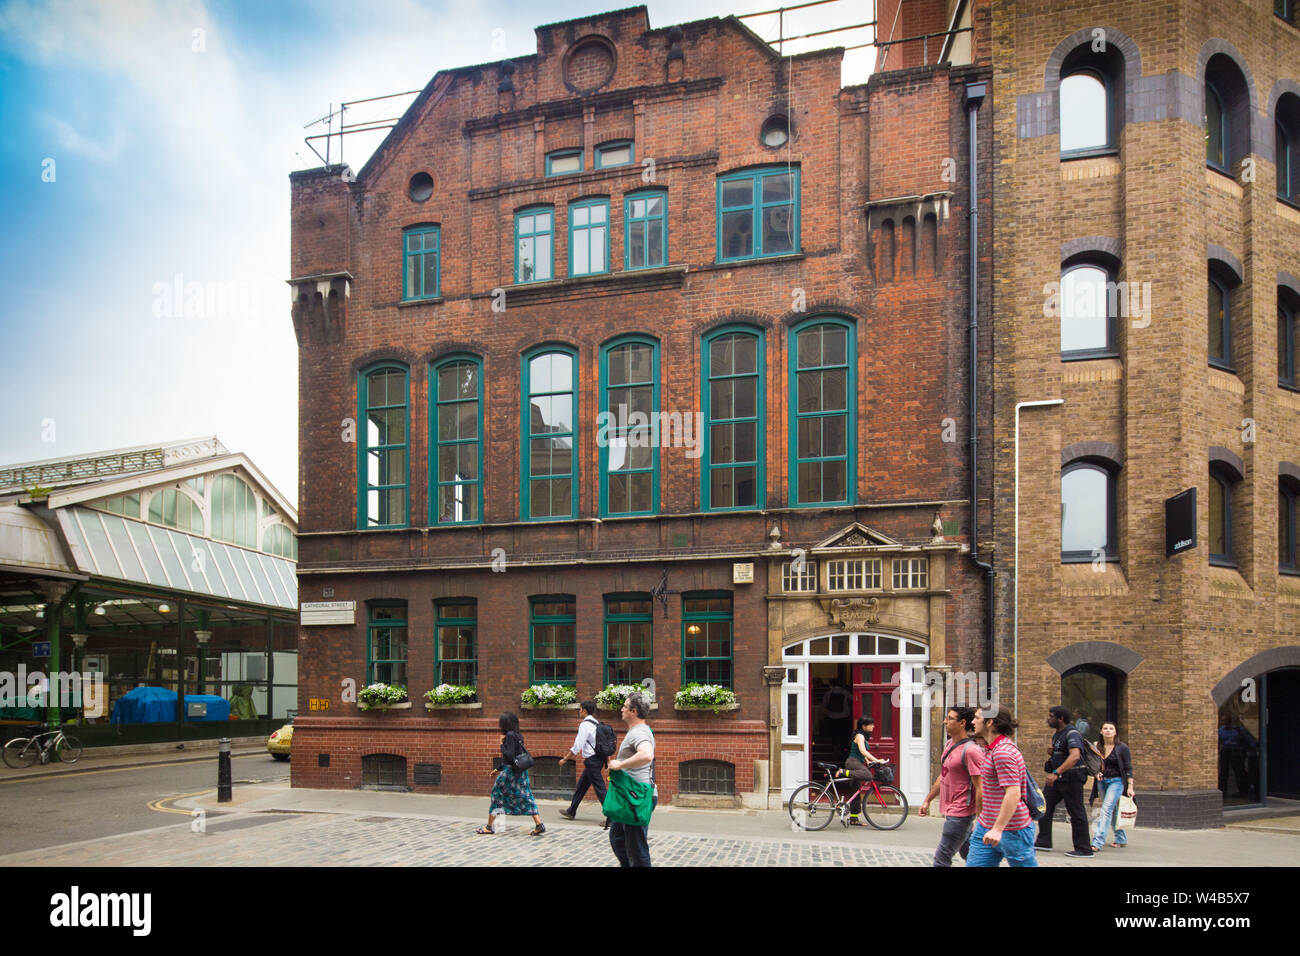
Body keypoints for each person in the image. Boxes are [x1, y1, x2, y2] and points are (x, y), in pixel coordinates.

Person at [966, 704, 1037, 867]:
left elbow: (1013, 793)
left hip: (1012, 830)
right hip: (986, 826)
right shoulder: (991, 748)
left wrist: (998, 829)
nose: (973, 721)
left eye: (977, 718)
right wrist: (982, 819)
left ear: (989, 722)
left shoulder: (1003, 752)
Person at [918, 705, 983, 866]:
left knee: (942, 858)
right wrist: (928, 800)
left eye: (949, 718)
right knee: (970, 854)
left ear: (962, 723)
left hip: (961, 813)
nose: (944, 721)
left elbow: (980, 787)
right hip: (952, 810)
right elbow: (944, 775)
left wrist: (981, 819)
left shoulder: (971, 751)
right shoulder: (949, 745)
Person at [1035, 705, 1093, 857]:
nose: (1049, 719)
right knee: (1044, 806)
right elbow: (1065, 753)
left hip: (1071, 778)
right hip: (1059, 780)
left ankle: (1084, 849)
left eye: (1051, 716)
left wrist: (1056, 772)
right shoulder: (1058, 735)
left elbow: (1074, 756)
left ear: (1060, 718)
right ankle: (1044, 841)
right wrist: (1054, 753)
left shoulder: (1072, 733)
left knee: (1076, 811)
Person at [476, 712, 545, 836]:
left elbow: (509, 756)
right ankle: (539, 824)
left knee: (497, 795)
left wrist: (502, 744)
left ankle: (489, 827)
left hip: (510, 773)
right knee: (526, 796)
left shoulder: (509, 736)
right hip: (521, 773)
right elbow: (515, 758)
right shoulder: (519, 735)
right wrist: (498, 769)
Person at [607, 692, 655, 867]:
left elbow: (647, 754)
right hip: (629, 796)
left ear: (633, 711)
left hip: (636, 797)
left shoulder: (639, 732)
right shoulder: (636, 731)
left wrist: (620, 765)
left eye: (625, 707)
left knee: (637, 848)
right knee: (617, 838)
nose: (621, 709)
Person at [558, 699, 607, 820]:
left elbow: (577, 746)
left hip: (592, 761)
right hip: (598, 759)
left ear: (584, 711)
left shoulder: (585, 725)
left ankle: (611, 817)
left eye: (580, 709)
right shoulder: (596, 723)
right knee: (581, 787)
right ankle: (571, 811)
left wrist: (565, 759)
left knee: (600, 789)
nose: (579, 711)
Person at [1089, 720, 1134, 850]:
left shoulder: (1122, 748)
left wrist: (1130, 787)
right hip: (1102, 782)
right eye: (1105, 728)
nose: (1108, 730)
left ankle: (1097, 842)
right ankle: (1121, 838)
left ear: (1115, 732)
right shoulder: (1096, 746)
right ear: (1101, 731)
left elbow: (1128, 768)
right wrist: (1096, 772)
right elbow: (1092, 763)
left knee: (1106, 810)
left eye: (1111, 728)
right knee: (1111, 810)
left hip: (1117, 781)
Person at [844, 715, 887, 826]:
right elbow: (862, 751)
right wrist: (877, 760)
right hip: (853, 763)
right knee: (868, 775)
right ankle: (843, 772)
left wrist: (868, 761)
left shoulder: (862, 736)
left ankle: (854, 819)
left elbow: (861, 753)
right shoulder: (860, 736)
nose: (873, 726)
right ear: (864, 726)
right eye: (871, 724)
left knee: (856, 791)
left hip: (857, 762)